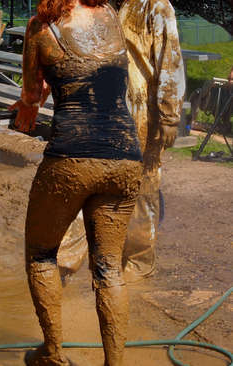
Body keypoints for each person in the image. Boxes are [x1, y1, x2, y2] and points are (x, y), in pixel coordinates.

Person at [10, 0, 143, 364]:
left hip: (73, 155)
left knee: (40, 254)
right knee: (109, 267)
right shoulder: (111, 15)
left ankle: (52, 355)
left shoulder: (41, 28)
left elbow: (32, 96)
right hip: (125, 157)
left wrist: (25, 109)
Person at [113, 0, 185, 282]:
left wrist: (170, 114)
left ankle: (139, 263)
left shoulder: (157, 6)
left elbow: (170, 59)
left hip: (145, 112)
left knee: (144, 188)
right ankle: (114, 255)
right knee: (116, 187)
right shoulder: (120, 5)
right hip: (118, 108)